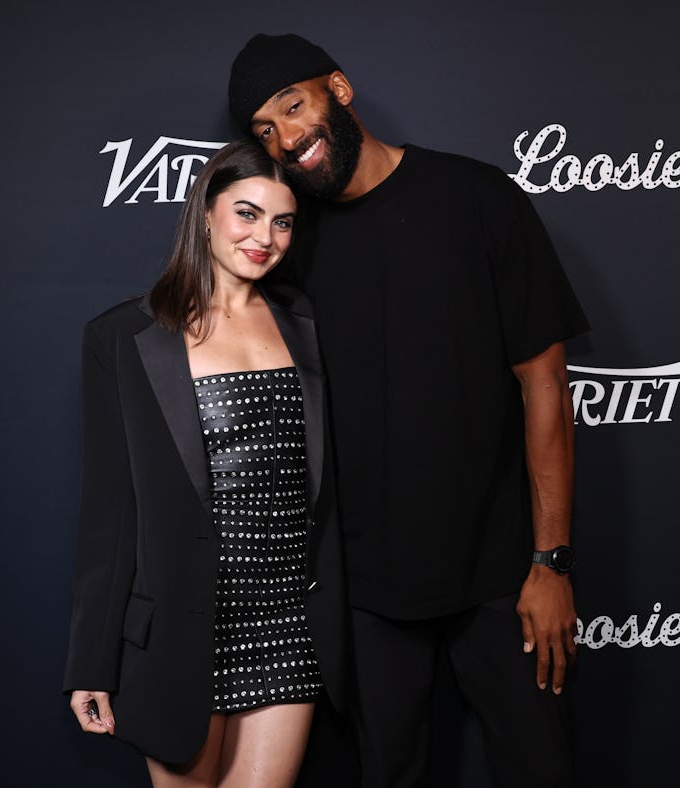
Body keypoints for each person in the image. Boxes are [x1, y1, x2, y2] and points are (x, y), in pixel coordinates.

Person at [227, 34, 590, 787]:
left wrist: (550, 562)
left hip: (501, 581)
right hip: (365, 597)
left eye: (294, 107)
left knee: (541, 769)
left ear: (340, 89)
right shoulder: (287, 244)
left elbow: (546, 385)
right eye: (265, 130)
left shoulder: (477, 198)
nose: (287, 138)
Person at [63, 139, 345, 788]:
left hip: (287, 618)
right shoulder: (123, 338)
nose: (264, 238)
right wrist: (90, 664)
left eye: (282, 222)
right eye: (246, 214)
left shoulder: (304, 320)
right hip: (183, 627)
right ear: (206, 212)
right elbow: (110, 512)